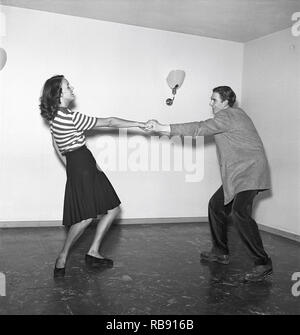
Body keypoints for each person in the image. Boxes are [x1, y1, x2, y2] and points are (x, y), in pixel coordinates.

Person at [144, 86, 272, 282]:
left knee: (240, 213)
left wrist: (163, 127)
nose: (210, 103)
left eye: (214, 100)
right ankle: (220, 252)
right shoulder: (232, 116)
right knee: (216, 205)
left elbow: (199, 127)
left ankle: (263, 263)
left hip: (250, 171)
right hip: (239, 174)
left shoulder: (229, 115)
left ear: (225, 102)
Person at [40, 75, 146, 277]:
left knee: (113, 208)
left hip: (80, 163)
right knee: (86, 217)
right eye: (67, 86)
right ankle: (62, 256)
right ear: (59, 94)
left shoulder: (55, 118)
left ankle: (93, 251)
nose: (72, 88)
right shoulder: (70, 117)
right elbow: (110, 121)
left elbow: (56, 145)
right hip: (83, 163)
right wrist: (139, 124)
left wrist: (71, 166)